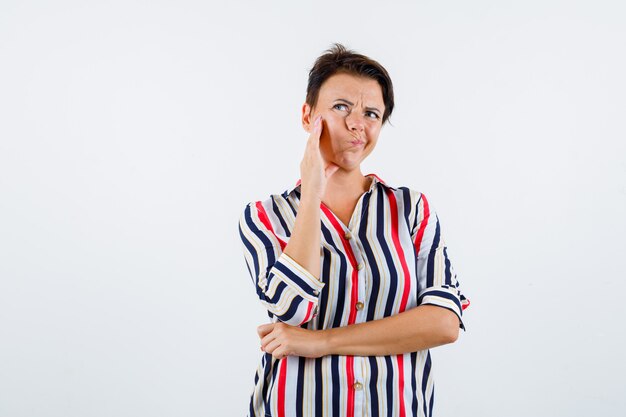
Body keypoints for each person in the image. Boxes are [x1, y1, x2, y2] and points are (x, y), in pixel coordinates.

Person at [238, 43, 470, 417]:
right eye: (341, 107)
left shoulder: (410, 209)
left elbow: (444, 322)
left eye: (371, 113)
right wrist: (311, 193)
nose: (356, 123)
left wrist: (321, 341)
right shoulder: (266, 216)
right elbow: (292, 308)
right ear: (307, 115)